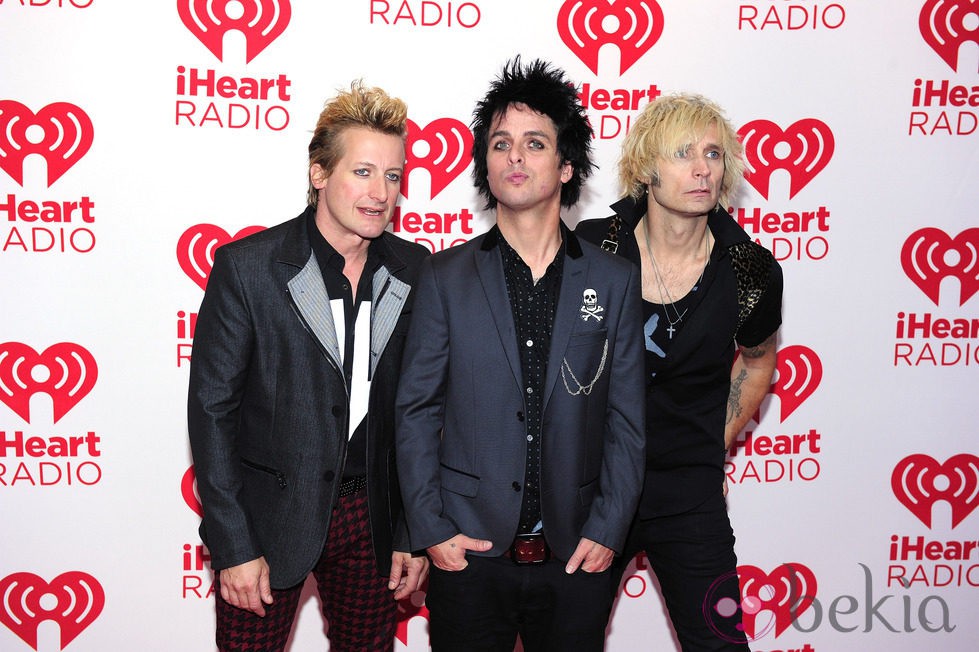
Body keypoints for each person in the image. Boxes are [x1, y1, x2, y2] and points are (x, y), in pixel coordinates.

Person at [395, 57, 646, 652]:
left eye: (534, 144)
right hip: (468, 558)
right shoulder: (443, 276)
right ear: (485, 162)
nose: (515, 156)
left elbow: (627, 423)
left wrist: (609, 531)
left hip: (577, 557)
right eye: (501, 143)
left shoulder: (612, 281)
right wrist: (432, 530)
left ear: (565, 166)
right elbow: (415, 412)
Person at [187, 81, 429, 652]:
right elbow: (212, 414)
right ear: (319, 173)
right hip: (268, 523)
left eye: (392, 176)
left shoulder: (417, 269)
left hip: (373, 522)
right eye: (363, 172)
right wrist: (234, 545)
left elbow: (423, 414)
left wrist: (410, 532)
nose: (380, 192)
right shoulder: (249, 269)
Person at [576, 93, 783, 651]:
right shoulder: (593, 247)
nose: (702, 168)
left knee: (719, 642)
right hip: (593, 487)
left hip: (688, 495)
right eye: (683, 153)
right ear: (647, 168)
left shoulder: (750, 268)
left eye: (714, 154)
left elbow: (760, 359)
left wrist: (709, 443)